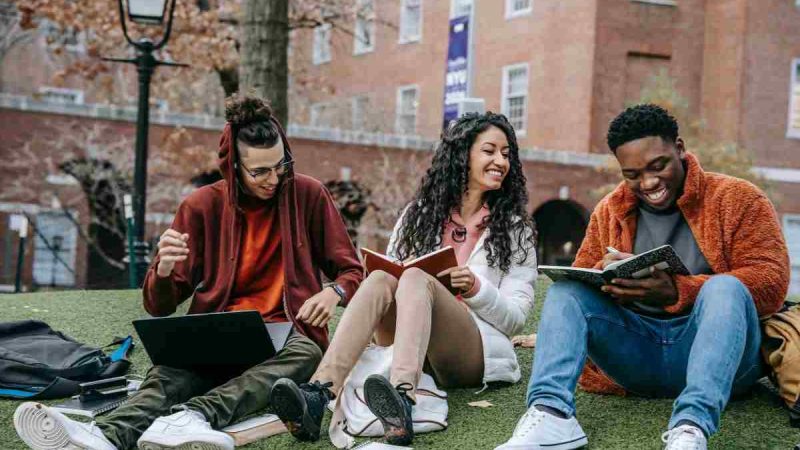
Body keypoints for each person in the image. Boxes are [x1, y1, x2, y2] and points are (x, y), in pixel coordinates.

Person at [12, 94, 364, 450]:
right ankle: (104, 435)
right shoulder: (201, 206)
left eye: (280, 164)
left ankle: (192, 417)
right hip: (218, 330)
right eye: (259, 171)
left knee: (307, 355)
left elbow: (352, 270)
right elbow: (159, 306)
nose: (273, 178)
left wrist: (333, 292)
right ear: (233, 167)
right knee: (168, 374)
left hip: (285, 335)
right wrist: (163, 270)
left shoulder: (309, 195)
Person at [497, 104, 790, 450]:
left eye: (658, 166)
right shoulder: (609, 209)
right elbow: (585, 281)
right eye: (632, 174)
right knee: (567, 291)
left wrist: (677, 291)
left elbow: (771, 282)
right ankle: (551, 414)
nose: (648, 183)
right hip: (637, 355)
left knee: (726, 288)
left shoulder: (739, 199)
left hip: (722, 359)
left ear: (679, 148)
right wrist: (612, 282)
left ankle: (690, 428)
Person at [268, 112, 538, 446]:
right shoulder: (418, 214)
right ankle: (318, 393)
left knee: (415, 279)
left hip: (469, 353)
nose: (500, 160)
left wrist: (475, 289)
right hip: (406, 340)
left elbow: (515, 318)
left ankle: (402, 399)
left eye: (506, 154)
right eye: (490, 151)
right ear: (462, 155)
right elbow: (393, 279)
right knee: (383, 276)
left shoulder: (514, 229)